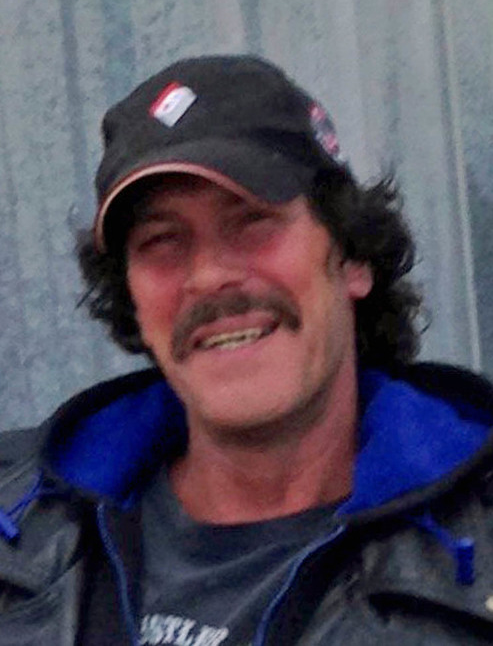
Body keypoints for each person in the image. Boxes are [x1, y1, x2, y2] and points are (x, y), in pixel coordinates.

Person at [0, 55, 492, 646]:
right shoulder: (17, 526)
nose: (209, 276)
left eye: (252, 222)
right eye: (162, 240)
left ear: (352, 258)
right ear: (131, 297)